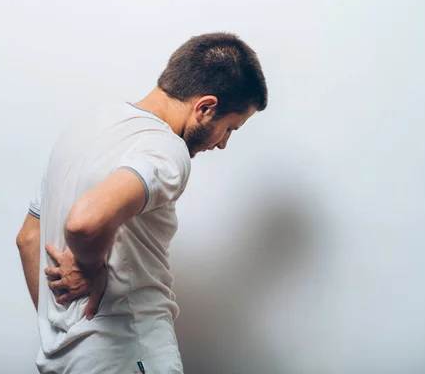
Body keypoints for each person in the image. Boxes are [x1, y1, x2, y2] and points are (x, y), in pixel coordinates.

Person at [16, 32, 268, 373]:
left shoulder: (85, 129)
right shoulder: (167, 148)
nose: (222, 143)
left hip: (64, 361)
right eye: (229, 129)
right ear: (205, 108)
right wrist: (91, 267)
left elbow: (28, 238)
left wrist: (62, 330)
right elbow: (86, 220)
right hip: (129, 352)